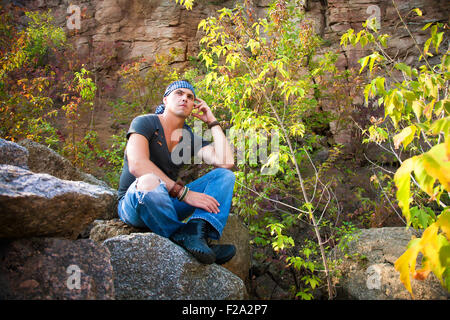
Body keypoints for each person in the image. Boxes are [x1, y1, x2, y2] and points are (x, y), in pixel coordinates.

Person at [117, 80, 236, 265]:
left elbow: (226, 162)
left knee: (224, 176)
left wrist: (212, 121)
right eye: (179, 93)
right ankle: (182, 234)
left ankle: (197, 233)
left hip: (167, 203)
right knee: (149, 180)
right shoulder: (145, 122)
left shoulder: (187, 137)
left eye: (190, 97)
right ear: (165, 99)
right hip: (135, 203)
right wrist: (183, 193)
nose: (185, 99)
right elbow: (137, 164)